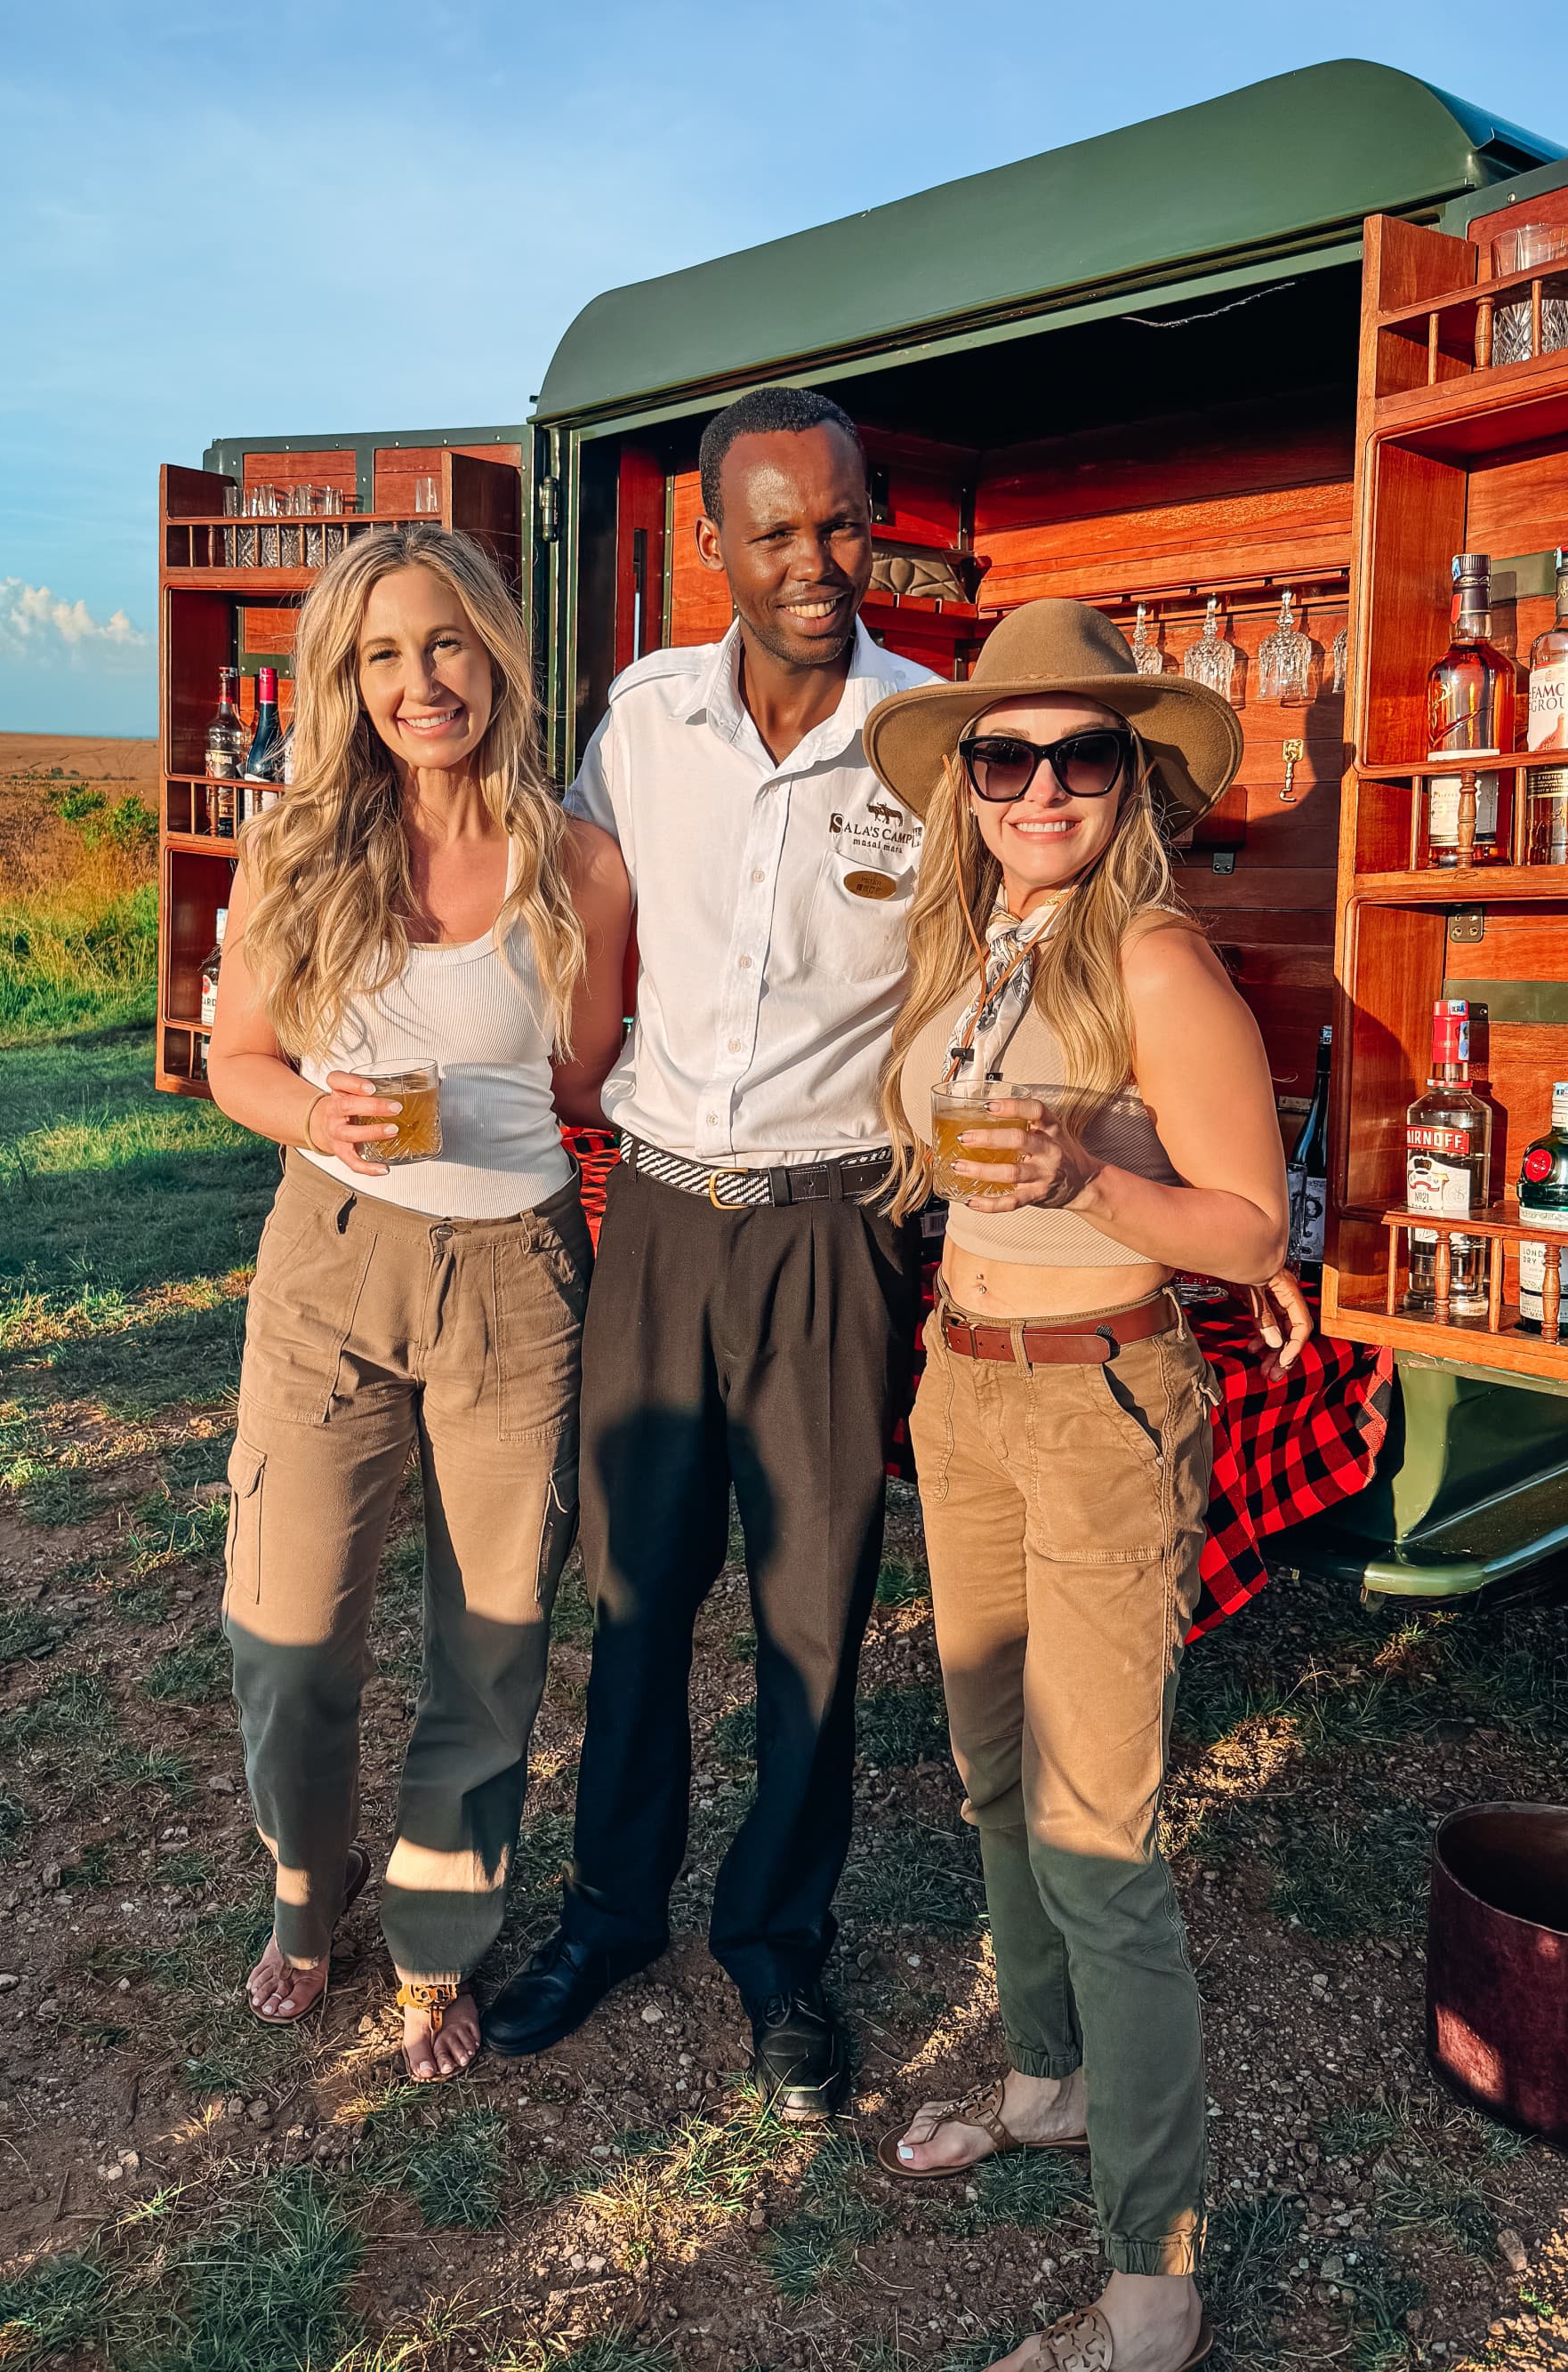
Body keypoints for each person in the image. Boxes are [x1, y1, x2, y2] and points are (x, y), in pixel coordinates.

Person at [483, 386, 943, 2110]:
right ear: (711, 545)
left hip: (836, 1233)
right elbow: (586, 928)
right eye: (776, 530)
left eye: (841, 521)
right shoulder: (644, 719)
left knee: (813, 1612)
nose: (818, 560)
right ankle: (613, 1908)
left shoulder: (930, 732)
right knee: (638, 1590)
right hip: (665, 1212)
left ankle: (777, 1944)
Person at [867, 599, 1287, 2372]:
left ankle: (1151, 2282)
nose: (1040, 785)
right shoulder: (973, 945)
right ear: (966, 783)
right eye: (1005, 754)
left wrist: (1092, 1172)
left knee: (1098, 1835)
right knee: (986, 1776)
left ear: (1131, 780)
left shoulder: (1160, 964)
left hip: (1101, 1399)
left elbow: (1250, 1223)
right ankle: (1044, 2078)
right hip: (962, 1396)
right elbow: (930, 1152)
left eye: (1079, 753)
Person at [206, 524, 631, 2081]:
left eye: (444, 642)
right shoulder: (301, 844)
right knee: (289, 1630)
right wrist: (314, 1114)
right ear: (348, 676)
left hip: (516, 1275)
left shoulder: (578, 860)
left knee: (493, 1638)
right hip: (332, 1253)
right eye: (383, 654)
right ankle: (304, 1895)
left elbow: (582, 1081)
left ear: (496, 654)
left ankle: (437, 1938)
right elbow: (236, 1056)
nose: (419, 681)